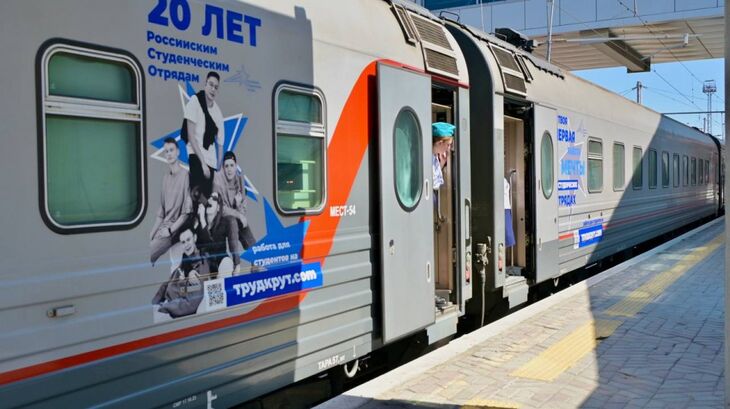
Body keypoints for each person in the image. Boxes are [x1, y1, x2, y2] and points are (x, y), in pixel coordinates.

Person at [150, 137, 193, 265]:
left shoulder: (186, 176)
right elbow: (161, 213)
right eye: (166, 151)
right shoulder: (165, 178)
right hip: (163, 228)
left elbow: (186, 213)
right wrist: (151, 234)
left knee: (147, 254)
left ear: (178, 152)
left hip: (174, 230)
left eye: (171, 150)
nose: (169, 154)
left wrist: (169, 230)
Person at [183, 71, 225, 201]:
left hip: (210, 161)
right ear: (205, 84)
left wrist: (217, 170)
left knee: (208, 201)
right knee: (197, 197)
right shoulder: (194, 102)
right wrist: (203, 163)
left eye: (216, 87)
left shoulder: (217, 113)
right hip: (196, 156)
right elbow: (190, 135)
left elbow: (220, 145)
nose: (213, 89)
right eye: (211, 85)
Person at [152, 226, 209, 318]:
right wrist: (153, 304)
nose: (186, 245)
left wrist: (163, 307)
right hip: (167, 305)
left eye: (188, 240)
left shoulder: (201, 264)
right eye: (183, 242)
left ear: (194, 238)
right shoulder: (185, 261)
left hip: (172, 311)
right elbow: (167, 284)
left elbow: (191, 303)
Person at [214, 151, 257, 253]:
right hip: (219, 223)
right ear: (223, 168)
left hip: (234, 219)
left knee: (254, 247)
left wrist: (238, 206)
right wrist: (239, 215)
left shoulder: (239, 181)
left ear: (236, 166)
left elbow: (243, 210)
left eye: (232, 165)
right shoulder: (217, 180)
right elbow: (221, 209)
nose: (229, 169)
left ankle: (255, 259)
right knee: (232, 221)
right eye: (226, 166)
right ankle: (235, 260)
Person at [195, 191, 241, 276]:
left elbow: (213, 246)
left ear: (218, 207)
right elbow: (197, 248)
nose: (210, 200)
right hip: (205, 265)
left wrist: (237, 264)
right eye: (209, 197)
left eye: (214, 198)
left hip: (222, 262)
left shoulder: (224, 223)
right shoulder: (199, 224)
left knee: (227, 263)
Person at [432, 122, 455, 193]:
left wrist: (442, 163)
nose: (449, 148)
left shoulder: (435, 156)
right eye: (448, 145)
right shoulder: (427, 158)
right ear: (440, 143)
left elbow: (435, 179)